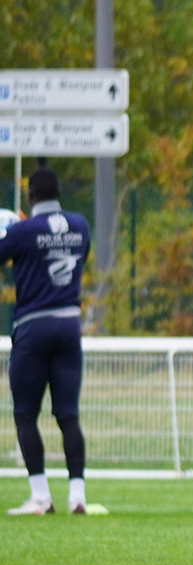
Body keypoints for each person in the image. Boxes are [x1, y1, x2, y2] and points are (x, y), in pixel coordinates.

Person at [0, 168, 92, 515]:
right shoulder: (80, 225)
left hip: (33, 326)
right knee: (68, 415)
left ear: (30, 196)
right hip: (69, 324)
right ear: (59, 193)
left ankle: (40, 497)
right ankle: (77, 497)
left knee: (25, 413)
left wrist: (8, 231)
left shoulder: (22, 231)